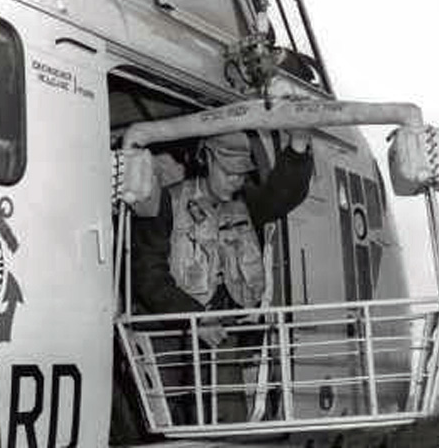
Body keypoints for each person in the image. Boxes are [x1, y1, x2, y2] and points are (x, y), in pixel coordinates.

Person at [130, 130, 313, 424]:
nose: (237, 181)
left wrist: (298, 148)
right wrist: (195, 318)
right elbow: (146, 274)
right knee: (172, 425)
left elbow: (283, 194)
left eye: (242, 174)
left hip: (221, 337)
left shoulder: (245, 204)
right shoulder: (167, 202)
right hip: (171, 335)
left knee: (224, 423)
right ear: (206, 160)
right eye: (229, 173)